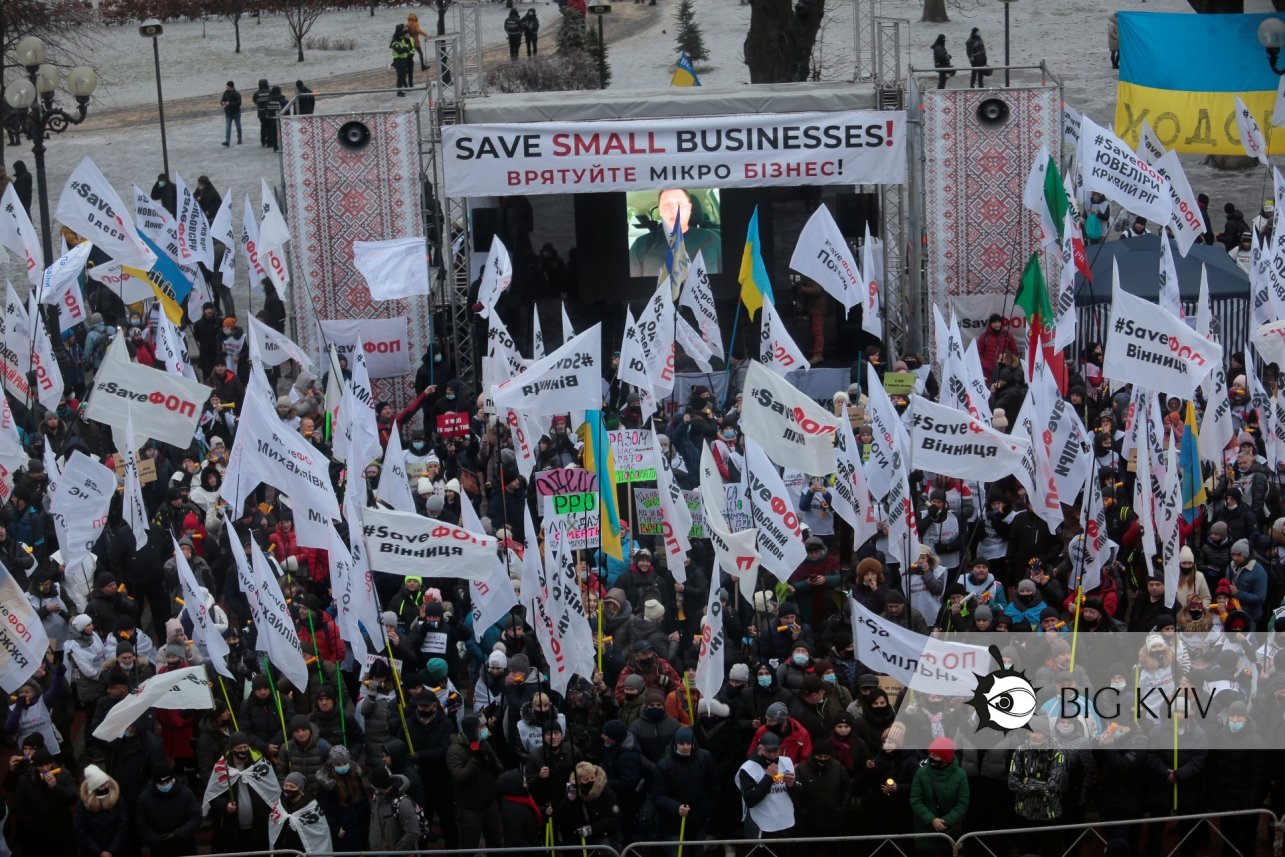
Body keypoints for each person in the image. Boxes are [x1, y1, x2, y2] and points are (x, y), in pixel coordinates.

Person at [629, 187, 722, 277]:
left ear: (689, 208)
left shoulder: (713, 240)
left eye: (680, 204)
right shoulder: (641, 245)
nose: (674, 210)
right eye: (667, 205)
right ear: (660, 210)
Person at [391, 25, 416, 95]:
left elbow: (408, 49)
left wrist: (407, 49)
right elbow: (400, 50)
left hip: (404, 60)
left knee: (403, 75)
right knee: (400, 76)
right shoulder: (395, 42)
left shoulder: (401, 41)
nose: (402, 36)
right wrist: (406, 48)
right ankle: (399, 91)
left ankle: (402, 89)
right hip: (398, 61)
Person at [220, 80, 242, 146]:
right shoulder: (225, 93)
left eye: (227, 86)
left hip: (236, 113)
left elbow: (238, 103)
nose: (226, 87)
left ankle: (240, 139)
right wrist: (222, 103)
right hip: (228, 113)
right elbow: (221, 101)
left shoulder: (236, 93)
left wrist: (229, 103)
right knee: (228, 128)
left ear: (231, 87)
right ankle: (227, 141)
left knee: (238, 127)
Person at [252, 79, 272, 147]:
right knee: (269, 127)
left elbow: (255, 101)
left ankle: (263, 141)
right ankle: (269, 142)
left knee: (263, 126)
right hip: (269, 111)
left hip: (261, 112)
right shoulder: (270, 92)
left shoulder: (256, 93)